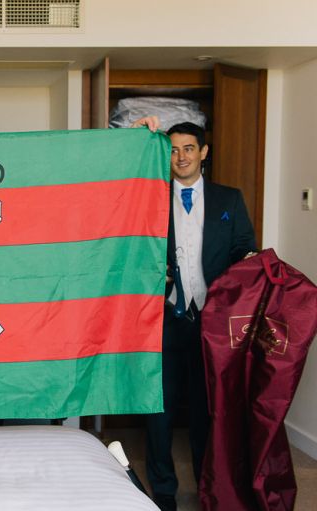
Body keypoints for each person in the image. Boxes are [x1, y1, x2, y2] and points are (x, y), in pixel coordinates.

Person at [131, 116, 257, 511]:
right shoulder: (149, 197)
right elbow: (132, 250)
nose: (181, 157)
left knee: (208, 412)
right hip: (164, 319)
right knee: (160, 412)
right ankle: (164, 493)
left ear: (203, 152)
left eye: (188, 148)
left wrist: (248, 264)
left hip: (212, 321)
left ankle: (208, 490)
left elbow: (243, 248)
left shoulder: (229, 199)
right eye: (172, 150)